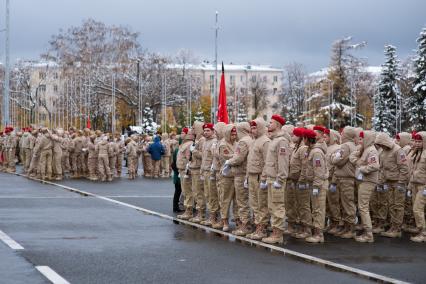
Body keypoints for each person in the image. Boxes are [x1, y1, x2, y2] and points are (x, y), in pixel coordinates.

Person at [262, 114, 290, 244]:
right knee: (272, 206)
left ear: (278, 125)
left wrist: (280, 179)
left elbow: (283, 162)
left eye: (271, 122)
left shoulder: (281, 141)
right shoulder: (274, 140)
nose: (269, 125)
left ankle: (278, 234)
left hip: (277, 180)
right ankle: (275, 232)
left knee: (278, 206)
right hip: (271, 178)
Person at [375, 132, 409, 238]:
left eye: (381, 144)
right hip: (388, 182)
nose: (380, 146)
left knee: (398, 205)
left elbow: (404, 168)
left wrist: (401, 183)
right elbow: (381, 169)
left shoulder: (398, 150)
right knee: (391, 204)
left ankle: (397, 228)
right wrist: (380, 182)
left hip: (398, 182)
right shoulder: (383, 152)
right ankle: (393, 226)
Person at [349, 130, 380, 242]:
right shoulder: (365, 149)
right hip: (364, 180)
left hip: (368, 181)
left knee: (363, 207)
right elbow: (352, 159)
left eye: (362, 139)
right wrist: (358, 152)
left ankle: (368, 234)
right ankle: (367, 231)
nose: (360, 141)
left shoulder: (371, 151)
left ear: (367, 139)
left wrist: (363, 169)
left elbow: (375, 165)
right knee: (363, 206)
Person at [301, 126, 329, 243]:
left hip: (319, 184)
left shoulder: (316, 152)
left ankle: (319, 234)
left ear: (308, 139)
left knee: (318, 209)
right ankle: (317, 232)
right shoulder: (312, 150)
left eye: (304, 138)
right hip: (314, 183)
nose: (303, 140)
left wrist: (317, 186)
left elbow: (319, 171)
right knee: (316, 208)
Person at [227, 122, 253, 236]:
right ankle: (247, 224)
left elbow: (239, 158)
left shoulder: (243, 142)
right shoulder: (250, 140)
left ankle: (245, 225)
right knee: (245, 200)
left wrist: (229, 162)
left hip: (241, 173)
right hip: (245, 173)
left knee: (241, 201)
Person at [246, 118, 271, 240]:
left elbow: (268, 162)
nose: (252, 130)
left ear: (261, 128)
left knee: (262, 204)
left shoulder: (265, 141)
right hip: (252, 176)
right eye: (251, 128)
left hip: (259, 176)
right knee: (254, 203)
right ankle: (258, 226)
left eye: (255, 127)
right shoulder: (254, 141)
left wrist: (264, 178)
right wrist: (247, 176)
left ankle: (263, 228)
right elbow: (250, 160)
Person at [331, 126, 357, 238]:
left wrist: (333, 157)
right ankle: (347, 227)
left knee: (348, 204)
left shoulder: (346, 146)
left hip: (346, 178)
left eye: (342, 133)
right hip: (346, 178)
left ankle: (351, 229)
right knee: (346, 204)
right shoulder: (352, 145)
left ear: (346, 135)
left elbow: (338, 161)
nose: (341, 135)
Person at [409, 131, 426, 242]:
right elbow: (413, 171)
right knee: (417, 209)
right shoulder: (417, 153)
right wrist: (410, 186)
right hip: (416, 184)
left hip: (423, 186)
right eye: (416, 141)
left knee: (417, 209)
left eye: (420, 141)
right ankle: (420, 229)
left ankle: (423, 233)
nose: (417, 143)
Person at [171, 137, 184, 213]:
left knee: (178, 191)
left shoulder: (177, 149)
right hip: (179, 173)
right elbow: (175, 163)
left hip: (177, 173)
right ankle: (176, 206)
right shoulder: (178, 150)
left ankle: (176, 206)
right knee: (179, 191)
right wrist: (178, 171)